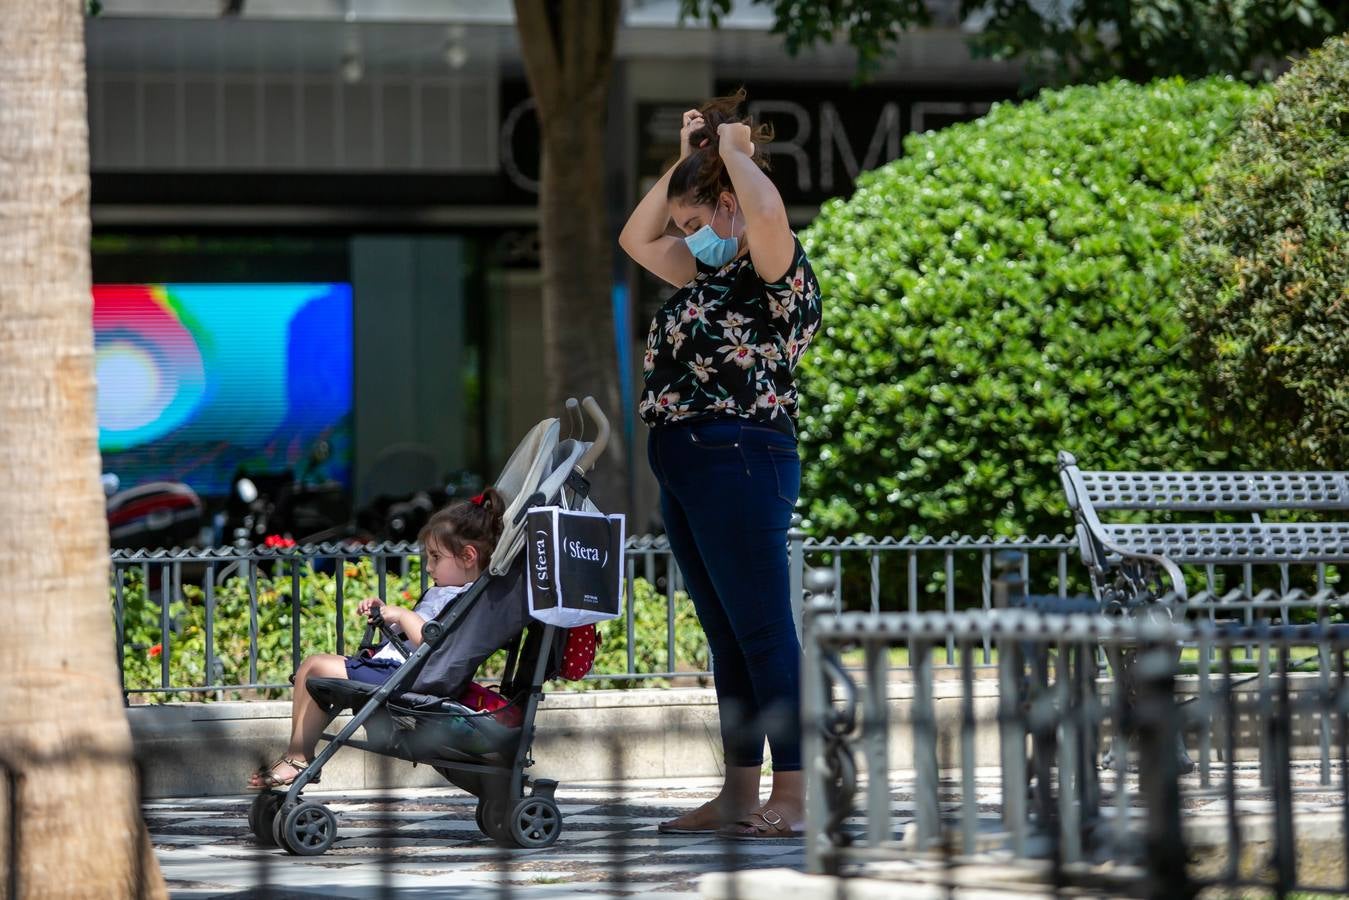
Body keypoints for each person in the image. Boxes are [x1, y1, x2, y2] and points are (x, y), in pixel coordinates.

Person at [619, 88, 823, 839]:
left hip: (740, 456)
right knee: (727, 634)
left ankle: (797, 796)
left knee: (766, 631)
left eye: (698, 223)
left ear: (731, 205)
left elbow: (766, 218)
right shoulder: (701, 278)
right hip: (686, 463)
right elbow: (636, 240)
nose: (688, 238)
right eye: (686, 228)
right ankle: (739, 794)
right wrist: (685, 161)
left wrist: (732, 154)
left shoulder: (772, 270)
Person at [247, 489, 505, 790]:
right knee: (311, 670)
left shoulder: (466, 597)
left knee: (316, 667)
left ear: (468, 556)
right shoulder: (447, 591)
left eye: (435, 557)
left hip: (409, 677)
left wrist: (401, 615)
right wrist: (386, 612)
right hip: (398, 669)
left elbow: (431, 638)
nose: (429, 566)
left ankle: (298, 760)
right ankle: (298, 757)